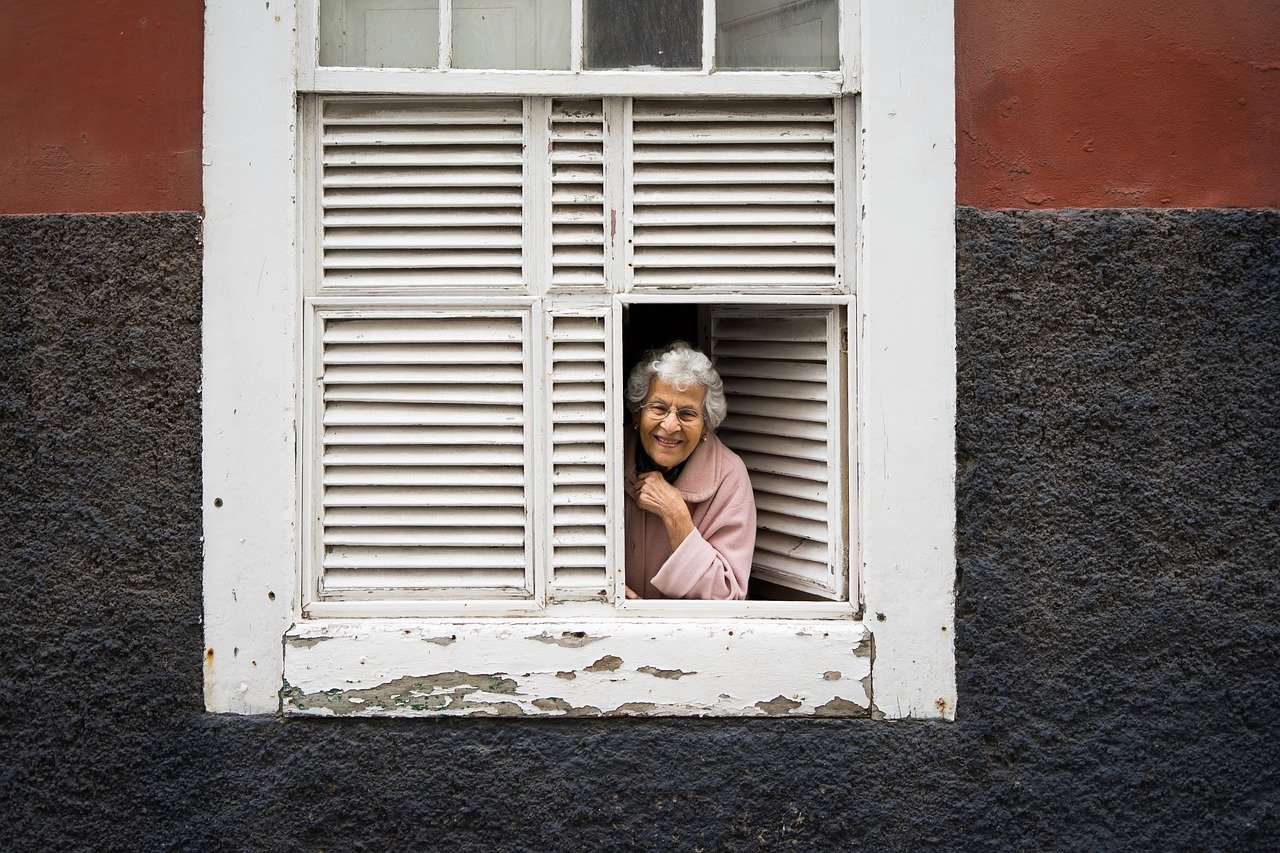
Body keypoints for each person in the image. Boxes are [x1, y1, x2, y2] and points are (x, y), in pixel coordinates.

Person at [624, 341, 756, 600]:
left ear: (706, 427)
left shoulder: (729, 477)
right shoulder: (603, 456)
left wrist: (676, 515)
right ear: (637, 416)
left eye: (687, 414)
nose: (670, 425)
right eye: (659, 408)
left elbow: (728, 597)